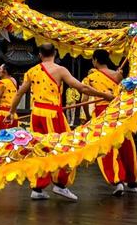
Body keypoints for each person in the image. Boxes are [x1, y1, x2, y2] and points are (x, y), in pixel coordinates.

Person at [9, 43, 115, 201]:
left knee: (39, 149)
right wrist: (104, 95)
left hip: (36, 115)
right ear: (55, 53)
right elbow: (82, 88)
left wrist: (11, 112)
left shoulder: (32, 71)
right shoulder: (60, 70)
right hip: (52, 114)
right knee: (63, 147)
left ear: (39, 55)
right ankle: (60, 184)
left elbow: (19, 94)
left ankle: (37, 188)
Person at [84, 49, 137, 196]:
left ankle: (117, 180)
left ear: (95, 60)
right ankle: (132, 181)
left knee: (106, 147)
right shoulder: (118, 75)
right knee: (126, 144)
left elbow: (84, 100)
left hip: (102, 113)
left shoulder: (91, 78)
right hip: (119, 113)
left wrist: (89, 116)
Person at [0, 59, 18, 133]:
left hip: (3, 114)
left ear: (4, 71)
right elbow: (3, 75)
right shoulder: (13, 81)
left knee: (0, 140)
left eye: (0, 69)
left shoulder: (1, 83)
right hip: (13, 115)